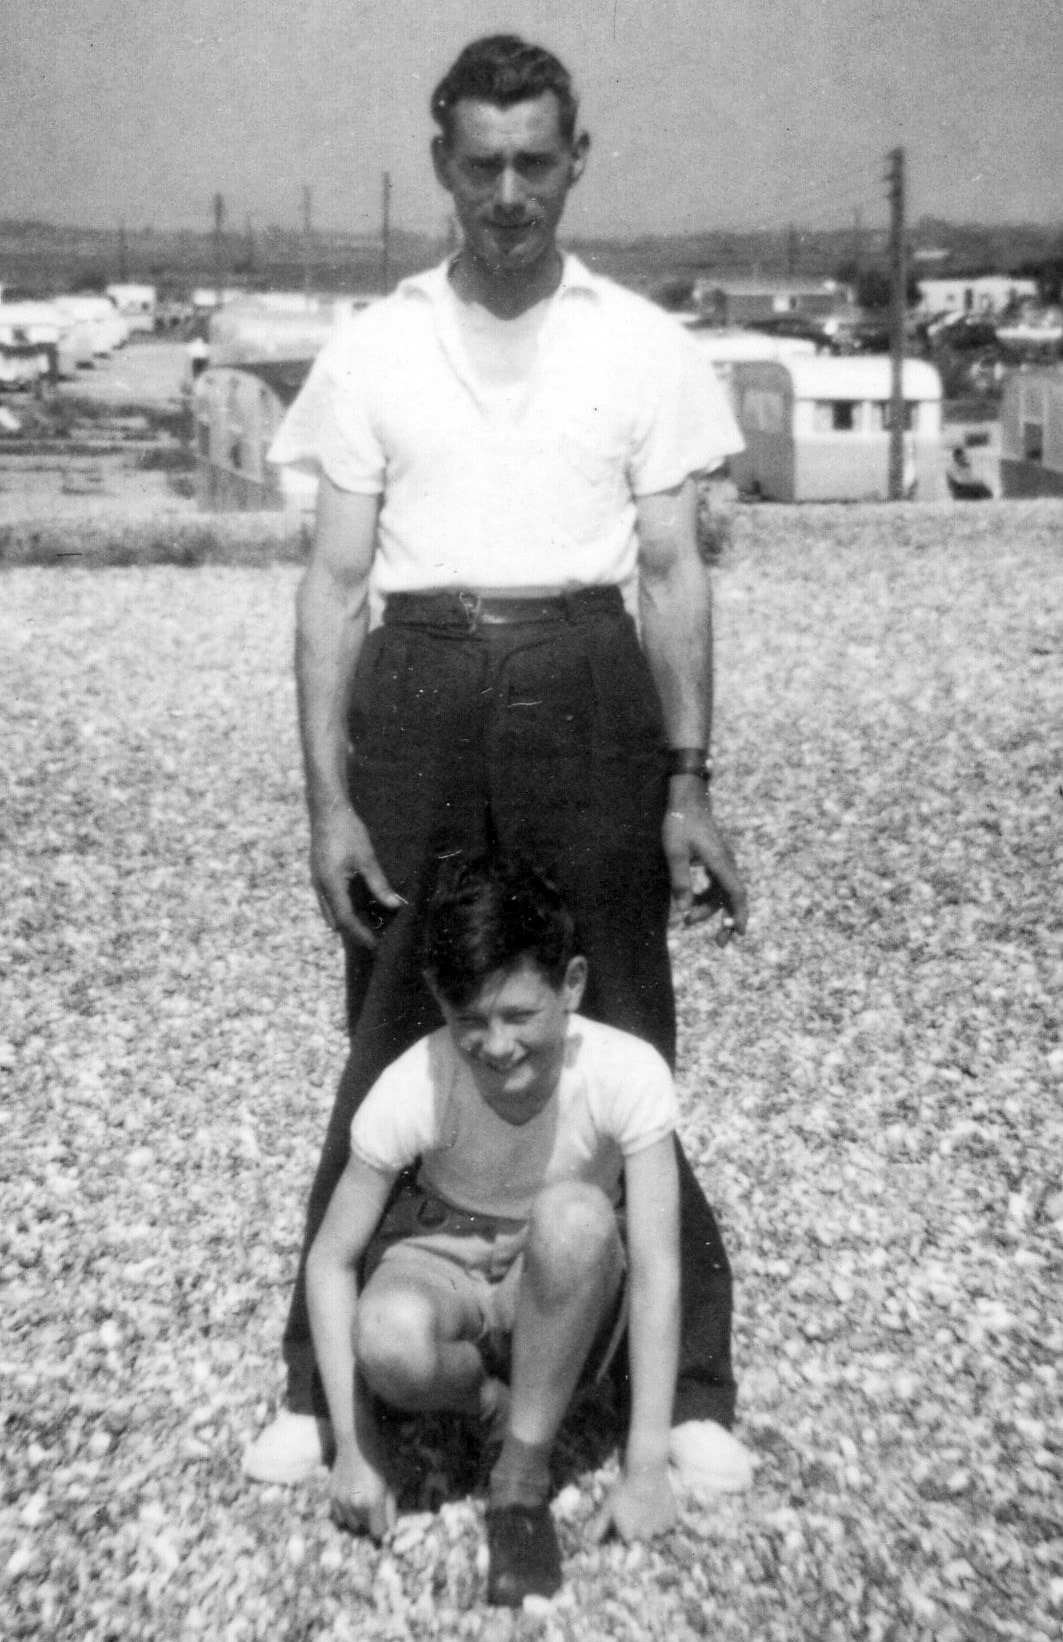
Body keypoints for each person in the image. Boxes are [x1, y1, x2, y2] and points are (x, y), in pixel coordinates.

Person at [244, 33, 752, 1498]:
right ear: (443, 167)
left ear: (575, 160)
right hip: (417, 686)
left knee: (625, 1021)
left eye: (536, 162)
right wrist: (329, 803)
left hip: (585, 677)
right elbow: (332, 584)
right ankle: (320, 1384)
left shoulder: (641, 343)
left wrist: (688, 782)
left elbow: (673, 572)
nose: (510, 194)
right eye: (483, 165)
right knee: (390, 1014)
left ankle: (689, 1386)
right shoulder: (375, 344)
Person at [308, 857, 681, 1605]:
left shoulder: (626, 1072)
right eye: (470, 1022)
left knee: (574, 1216)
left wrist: (646, 1467)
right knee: (385, 1337)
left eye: (519, 1016)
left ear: (571, 985)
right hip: (442, 1253)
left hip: (560, 1272)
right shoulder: (414, 1082)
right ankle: (488, 1402)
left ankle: (520, 1474)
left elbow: (658, 1269)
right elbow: (330, 1260)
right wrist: (354, 1448)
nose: (497, 1045)